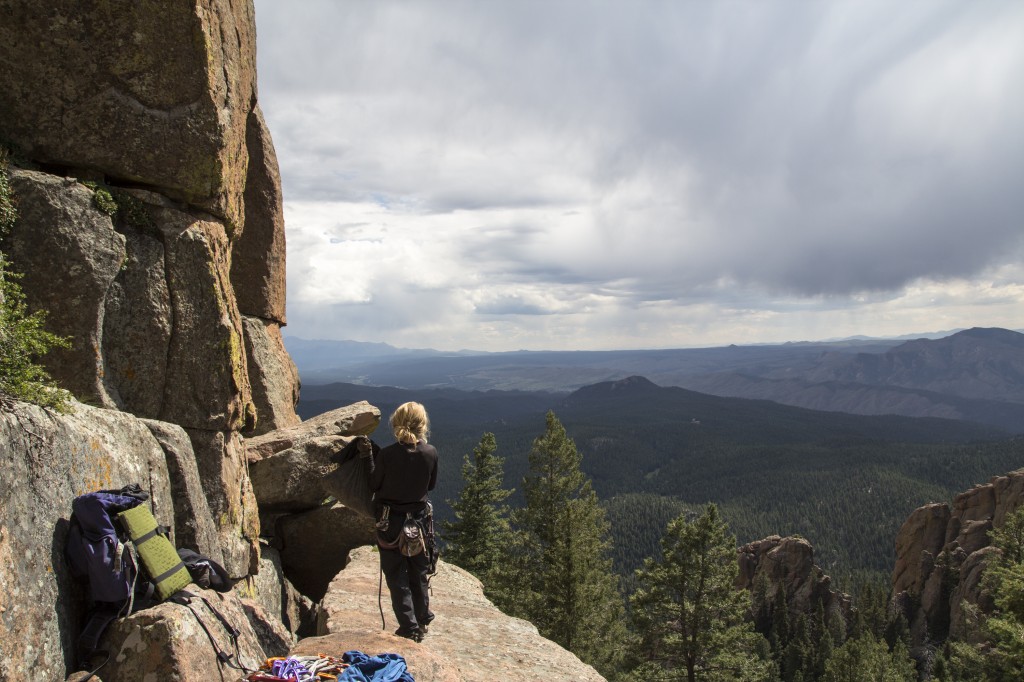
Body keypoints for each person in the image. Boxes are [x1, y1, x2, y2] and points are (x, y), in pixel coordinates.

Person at [370, 401, 438, 642]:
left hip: (391, 523)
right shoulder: (430, 452)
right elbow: (431, 485)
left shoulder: (387, 455)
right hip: (420, 522)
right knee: (419, 571)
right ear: (422, 425)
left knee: (396, 574)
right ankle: (422, 618)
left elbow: (374, 485)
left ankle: (409, 627)